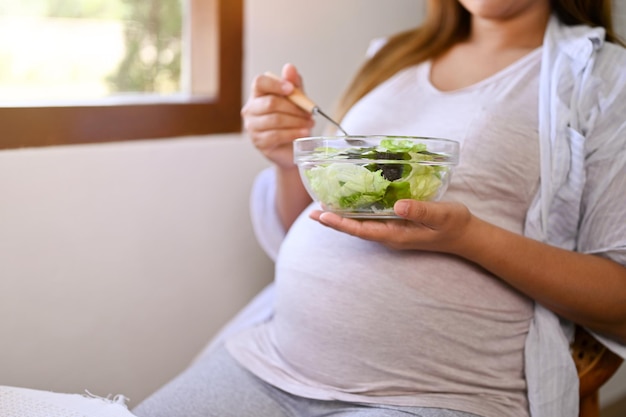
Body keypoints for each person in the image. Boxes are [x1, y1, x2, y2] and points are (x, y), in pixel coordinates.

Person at [133, 1, 626, 416]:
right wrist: (290, 162)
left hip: (435, 394)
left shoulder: (602, 78)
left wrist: (469, 237)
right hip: (274, 363)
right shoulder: (394, 56)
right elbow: (309, 223)